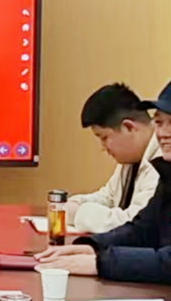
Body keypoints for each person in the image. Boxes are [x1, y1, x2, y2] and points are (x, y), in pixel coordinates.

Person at [37, 74, 171, 285]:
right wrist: (92, 247)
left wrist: (101, 262)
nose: (162, 133)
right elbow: (143, 229)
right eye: (158, 122)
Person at [64, 82, 162, 234]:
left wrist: (78, 213)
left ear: (128, 127)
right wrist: (75, 203)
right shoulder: (131, 158)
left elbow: (135, 223)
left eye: (104, 137)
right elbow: (108, 198)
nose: (103, 147)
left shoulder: (164, 160)